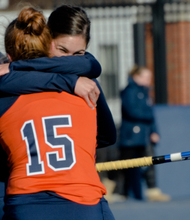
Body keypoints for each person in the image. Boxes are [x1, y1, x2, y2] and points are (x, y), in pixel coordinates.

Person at [0, 6, 115, 219]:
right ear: (46, 40)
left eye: (78, 55)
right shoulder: (85, 85)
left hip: (27, 199)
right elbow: (107, 136)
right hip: (77, 201)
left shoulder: (85, 84)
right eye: (62, 51)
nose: (68, 62)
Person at [117, 65, 170, 201]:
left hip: (144, 136)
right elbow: (133, 111)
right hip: (130, 136)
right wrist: (148, 114)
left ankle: (153, 191)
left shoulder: (146, 92)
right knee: (125, 165)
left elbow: (151, 116)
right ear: (136, 77)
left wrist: (154, 132)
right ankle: (121, 193)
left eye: (149, 77)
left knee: (150, 162)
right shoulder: (129, 91)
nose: (149, 80)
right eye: (146, 77)